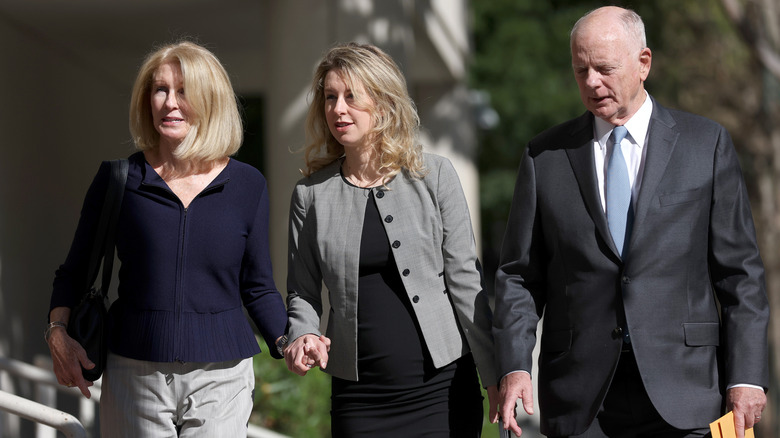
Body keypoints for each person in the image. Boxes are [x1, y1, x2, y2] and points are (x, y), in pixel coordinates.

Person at [493, 6, 769, 438]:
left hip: (689, 394)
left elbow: (741, 275)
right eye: (580, 70)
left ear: (644, 63)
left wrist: (746, 376)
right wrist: (514, 366)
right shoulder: (544, 157)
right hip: (583, 399)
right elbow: (519, 278)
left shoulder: (706, 144)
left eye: (604, 68)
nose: (591, 83)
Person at [46, 41, 287, 437]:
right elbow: (73, 272)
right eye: (160, 90)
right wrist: (57, 332)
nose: (169, 102)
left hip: (222, 376)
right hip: (134, 371)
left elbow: (258, 285)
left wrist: (287, 340)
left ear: (210, 101)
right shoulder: (118, 179)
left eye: (183, 91)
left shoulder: (247, 185)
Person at [282, 42, 499, 437]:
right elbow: (302, 292)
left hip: (442, 388)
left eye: (351, 96)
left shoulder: (434, 176)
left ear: (382, 103)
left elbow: (466, 280)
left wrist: (495, 375)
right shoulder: (311, 194)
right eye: (330, 97)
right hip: (359, 397)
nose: (338, 109)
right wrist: (303, 333)